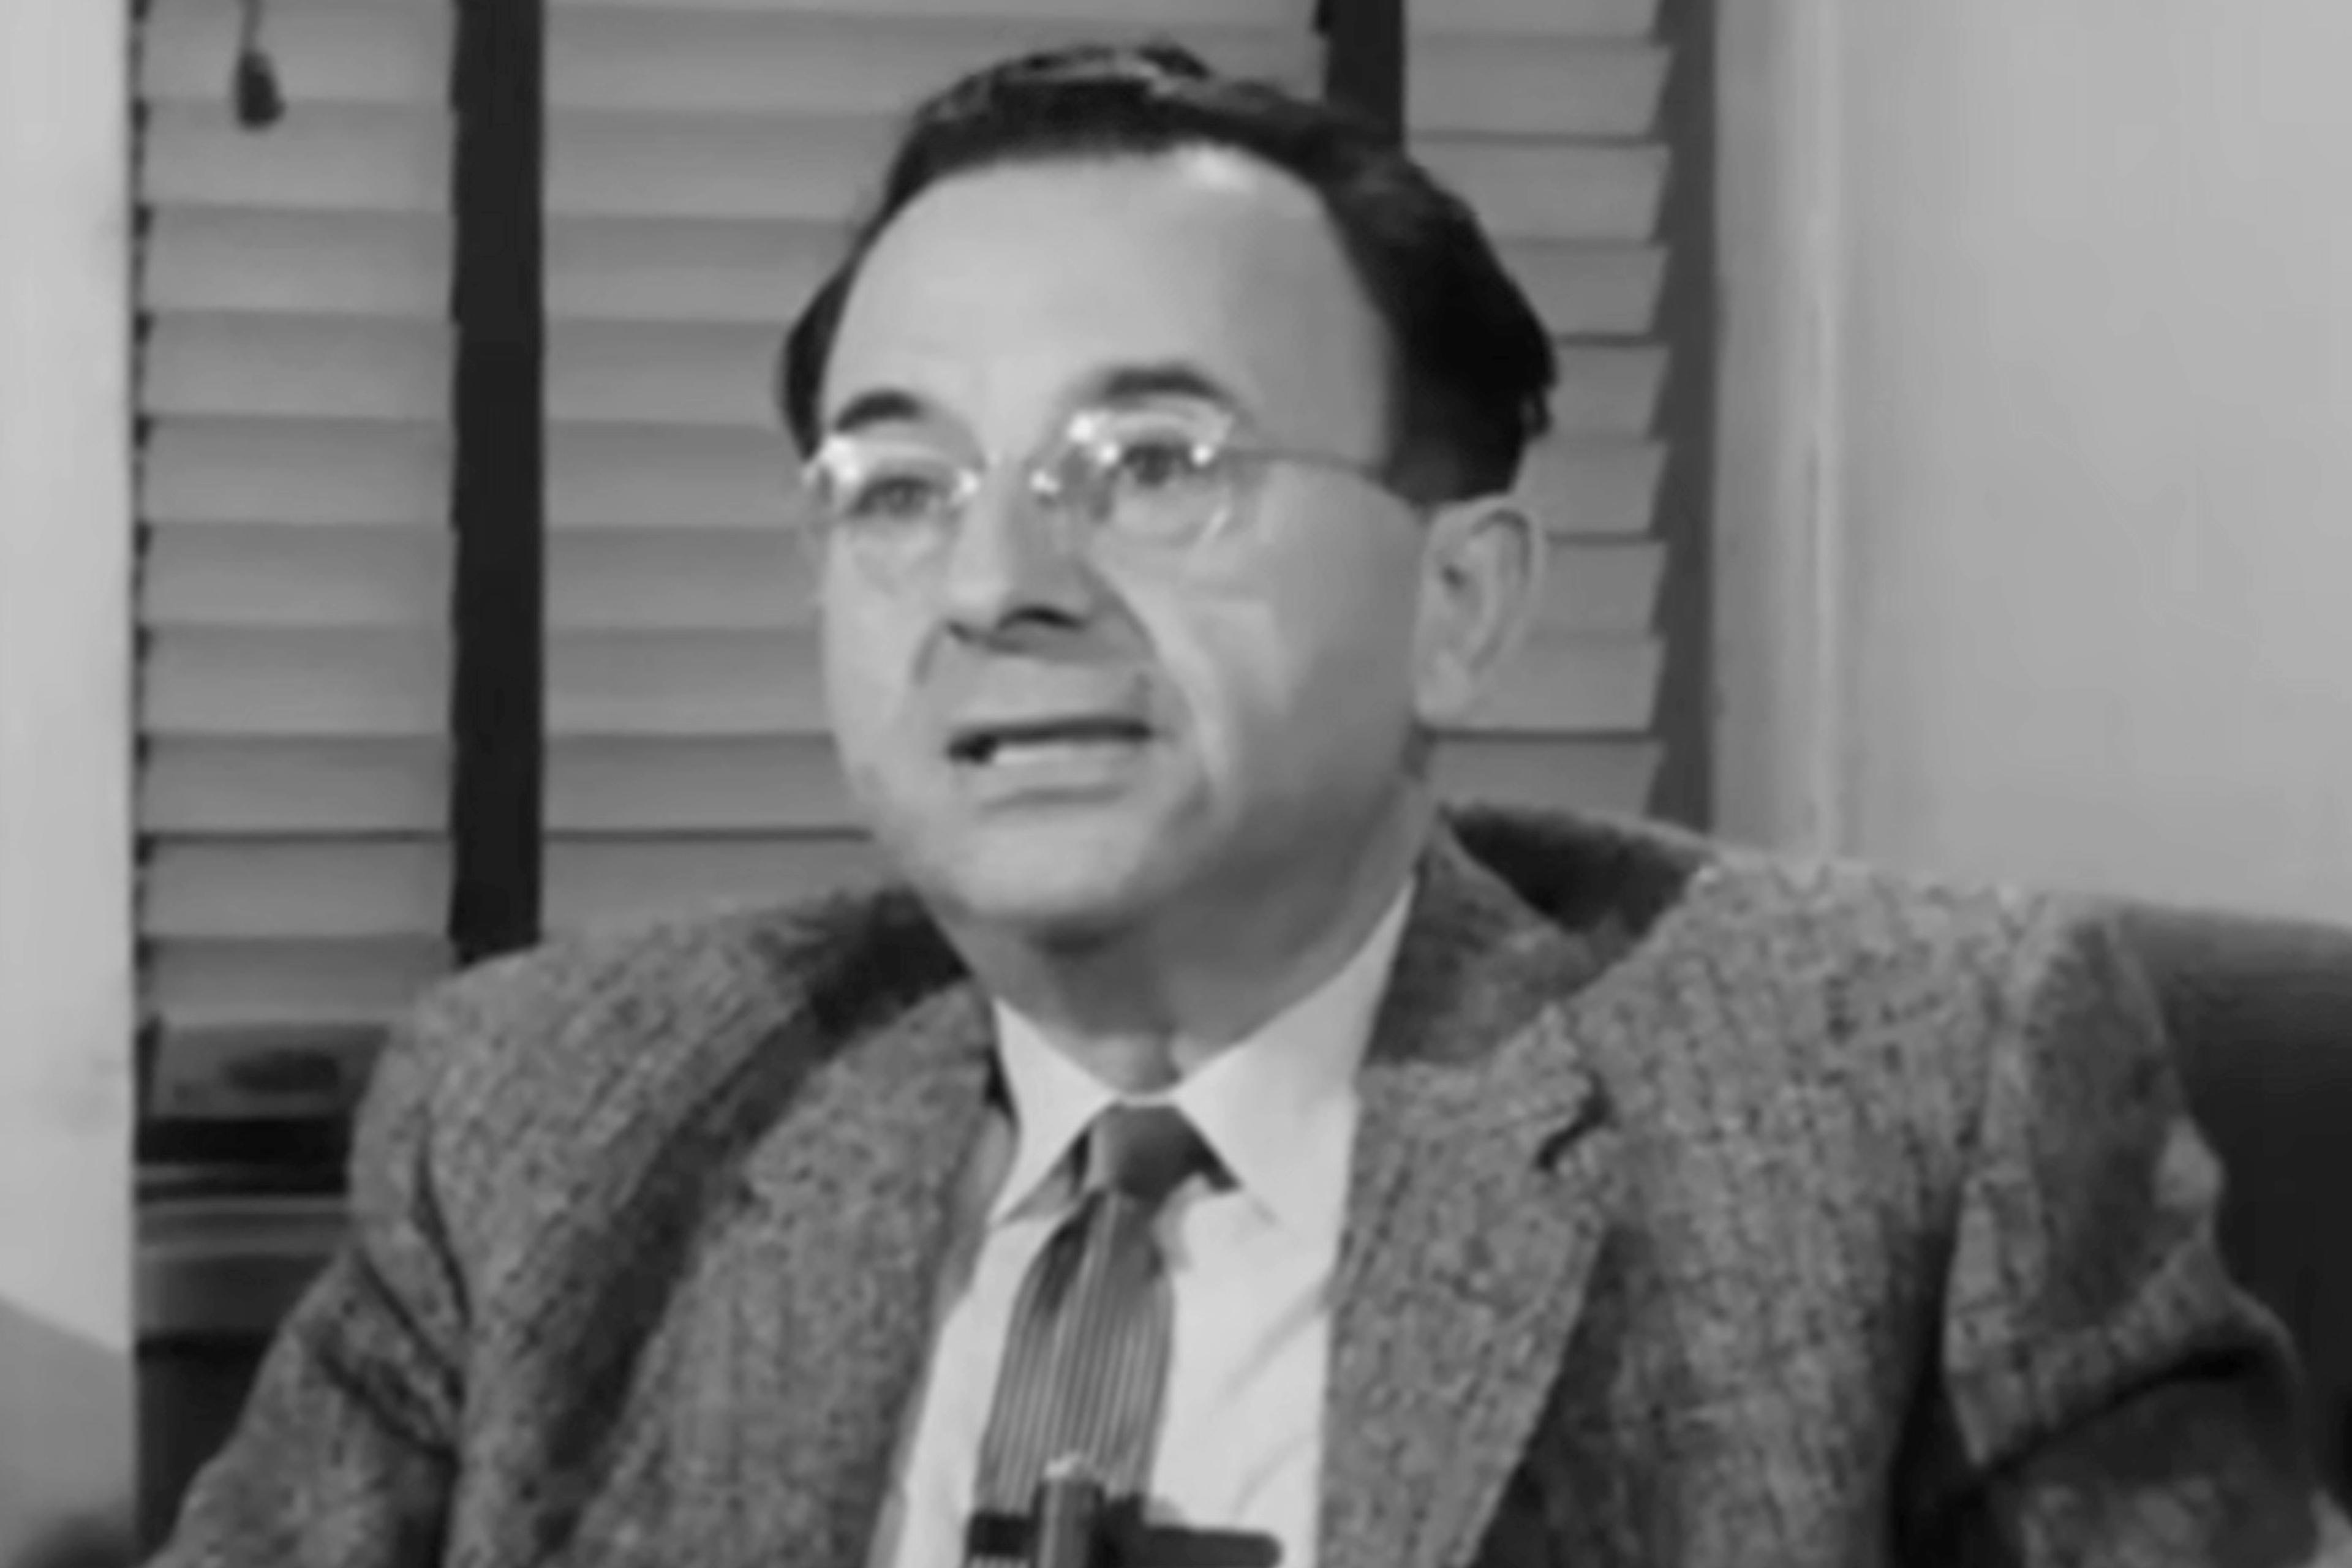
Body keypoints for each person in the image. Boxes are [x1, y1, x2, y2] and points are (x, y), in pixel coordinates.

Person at [151, 41, 2348, 1568]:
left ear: (1459, 607)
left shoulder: (1911, 1102)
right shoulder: (551, 1124)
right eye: (899, 489)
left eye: (1151, 468)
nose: (996, 587)